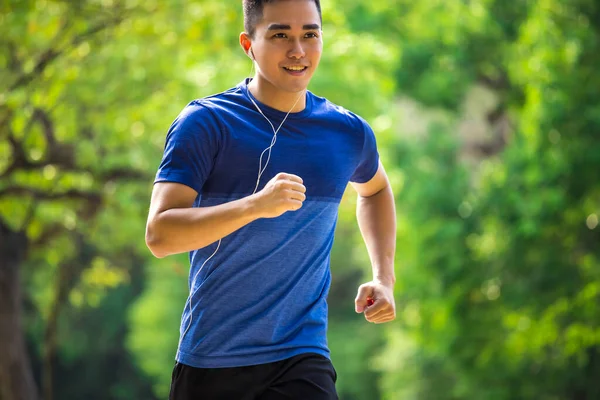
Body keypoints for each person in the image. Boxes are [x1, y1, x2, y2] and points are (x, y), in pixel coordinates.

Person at [145, 0, 397, 398]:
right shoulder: (206, 122)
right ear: (249, 44)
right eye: (280, 35)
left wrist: (384, 278)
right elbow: (160, 235)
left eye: (310, 35)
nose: (298, 50)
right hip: (212, 359)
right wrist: (254, 206)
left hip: (302, 355)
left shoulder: (347, 132)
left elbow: (376, 189)